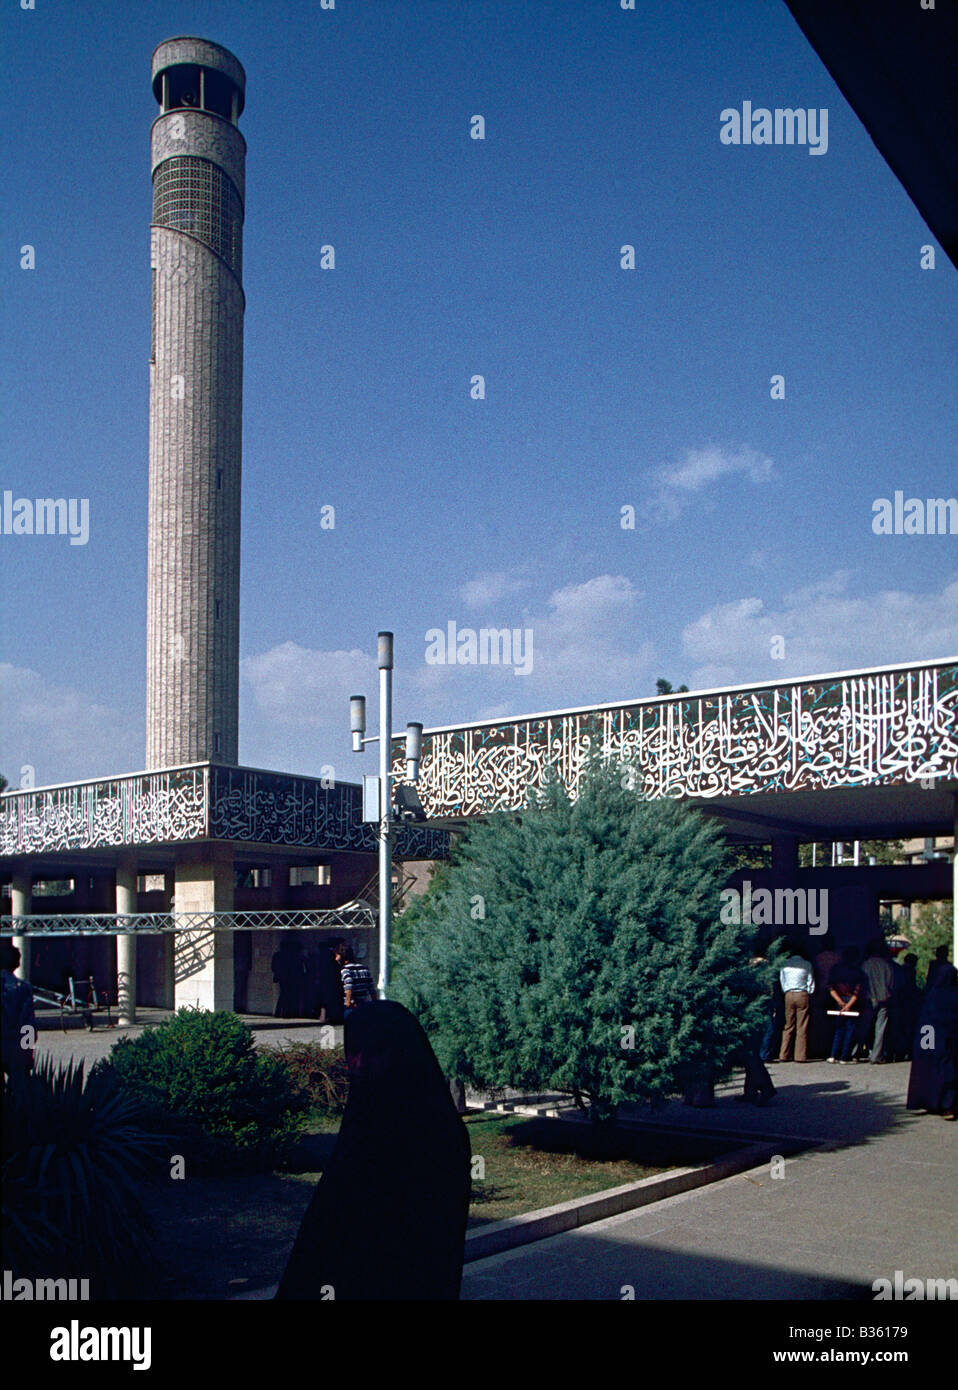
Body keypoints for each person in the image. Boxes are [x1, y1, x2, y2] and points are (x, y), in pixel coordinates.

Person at [276, 1000, 473, 1299]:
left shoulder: (438, 1130)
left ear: (402, 1052)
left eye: (373, 1052)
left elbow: (434, 1237)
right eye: (352, 1052)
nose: (358, 1063)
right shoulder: (363, 1118)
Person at [906, 964, 958, 1120]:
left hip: (930, 1041)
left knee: (929, 1071)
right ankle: (947, 1106)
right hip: (949, 1041)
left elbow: (924, 1020)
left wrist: (923, 1044)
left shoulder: (931, 995)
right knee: (949, 1072)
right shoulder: (954, 994)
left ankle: (930, 1101)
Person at [1, 942, 37, 1079]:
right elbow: (28, 1024)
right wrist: (27, 1052)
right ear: (17, 964)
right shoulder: (22, 988)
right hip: (15, 1049)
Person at [858, 939, 895, 1063]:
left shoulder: (866, 964)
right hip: (884, 998)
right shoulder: (886, 965)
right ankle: (876, 1055)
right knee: (880, 1029)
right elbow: (891, 983)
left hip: (869, 998)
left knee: (864, 1026)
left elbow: (862, 982)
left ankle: (855, 1051)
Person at [778, 943, 815, 1062]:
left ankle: (783, 1054)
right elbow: (810, 981)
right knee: (802, 1025)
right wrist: (809, 991)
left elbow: (782, 980)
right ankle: (800, 1056)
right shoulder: (806, 964)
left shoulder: (784, 964)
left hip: (789, 993)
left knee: (788, 1025)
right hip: (802, 993)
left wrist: (786, 990)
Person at [826, 946, 863, 1064]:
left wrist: (840, 1002)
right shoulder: (857, 971)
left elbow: (831, 988)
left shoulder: (835, 969)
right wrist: (848, 1005)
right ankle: (844, 1056)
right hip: (852, 1001)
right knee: (850, 1030)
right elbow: (857, 992)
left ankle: (833, 1055)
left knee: (839, 1029)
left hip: (839, 1000)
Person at [334, 941, 376, 1019]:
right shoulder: (364, 968)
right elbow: (371, 988)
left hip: (353, 1006)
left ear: (343, 955)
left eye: (337, 955)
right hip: (364, 1004)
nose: (336, 959)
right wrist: (375, 1003)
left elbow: (349, 986)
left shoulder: (345, 969)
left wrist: (347, 1003)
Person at [271, 937, 305, 1018]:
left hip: (282, 977)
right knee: (290, 995)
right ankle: (288, 1012)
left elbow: (273, 966)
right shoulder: (294, 956)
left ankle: (280, 1012)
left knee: (283, 994)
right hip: (291, 978)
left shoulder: (278, 955)